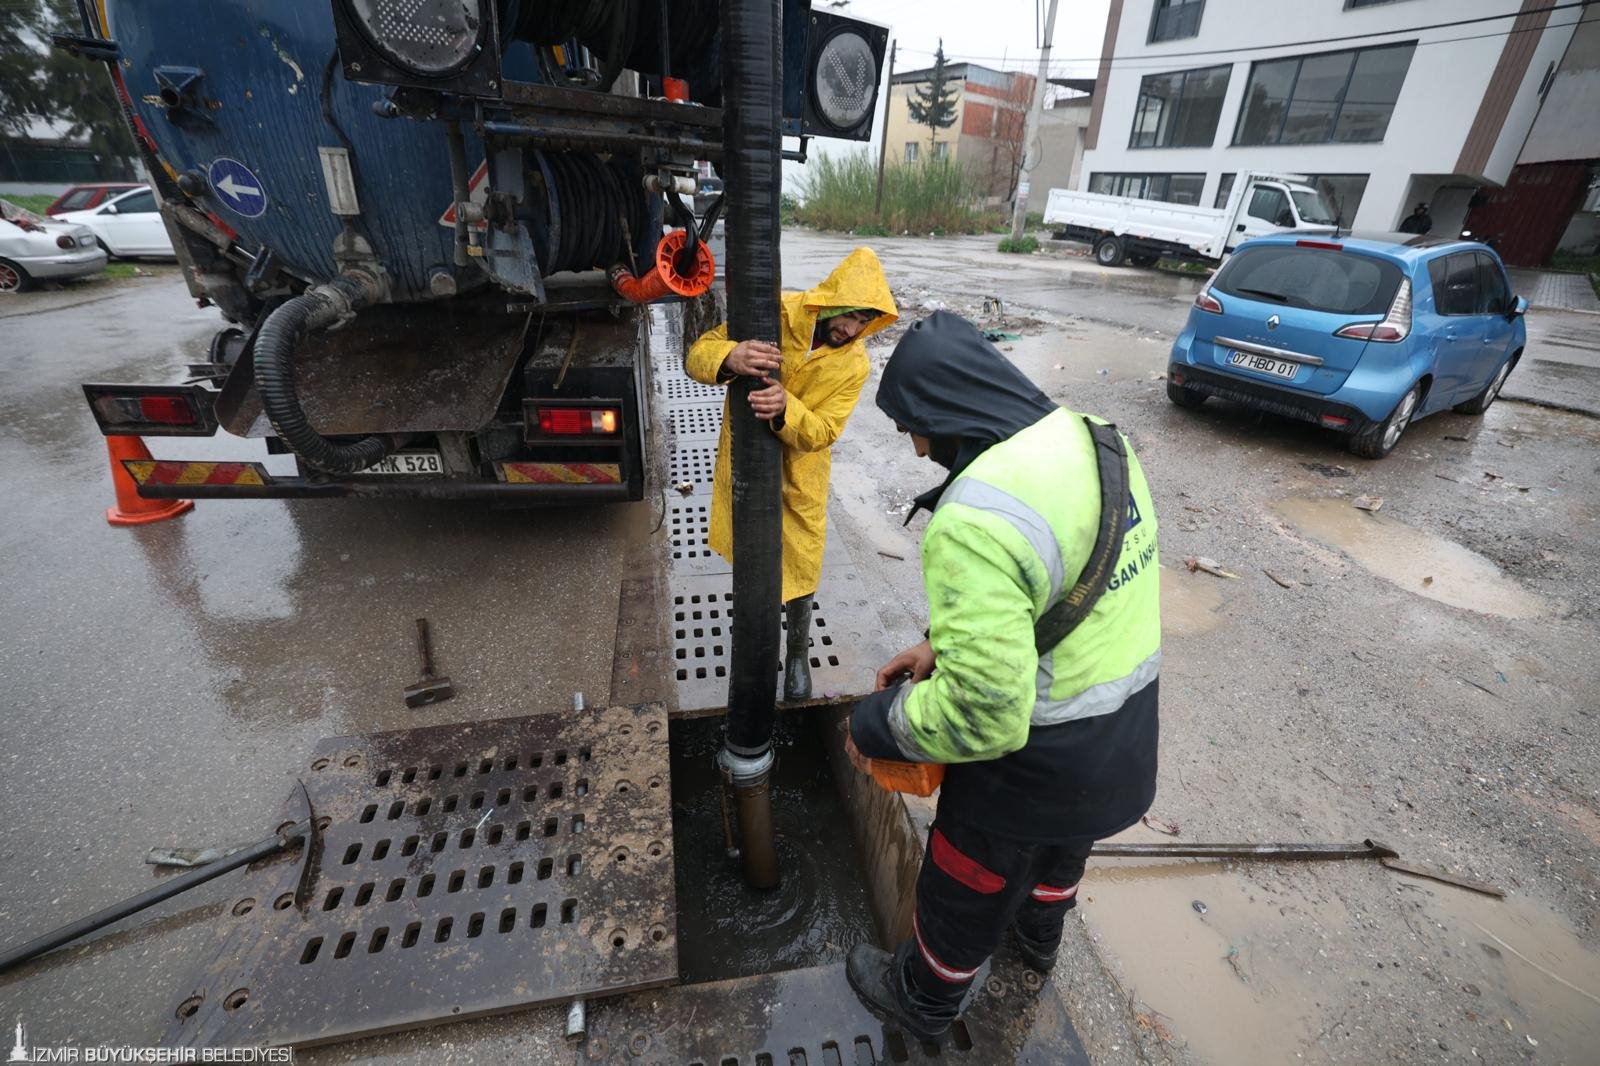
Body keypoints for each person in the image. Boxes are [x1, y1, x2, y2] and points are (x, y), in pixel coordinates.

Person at [842, 311, 1161, 1042]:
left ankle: (922, 999)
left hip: (1032, 767)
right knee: (1060, 860)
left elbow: (984, 717)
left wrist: (876, 723)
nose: (919, 448)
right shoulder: (1098, 440)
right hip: (1125, 740)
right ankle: (1039, 944)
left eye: (913, 427)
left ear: (949, 410)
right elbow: (1058, 587)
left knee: (965, 885)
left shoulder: (973, 516)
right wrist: (938, 644)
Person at [686, 247, 897, 700]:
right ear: (833, 299)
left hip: (801, 471)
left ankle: (797, 651)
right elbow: (698, 353)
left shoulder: (854, 364)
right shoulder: (776, 314)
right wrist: (730, 355)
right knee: (750, 552)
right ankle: (755, 643)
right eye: (851, 316)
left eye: (864, 322)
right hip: (747, 461)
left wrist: (787, 408)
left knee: (801, 563)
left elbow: (824, 429)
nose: (853, 330)